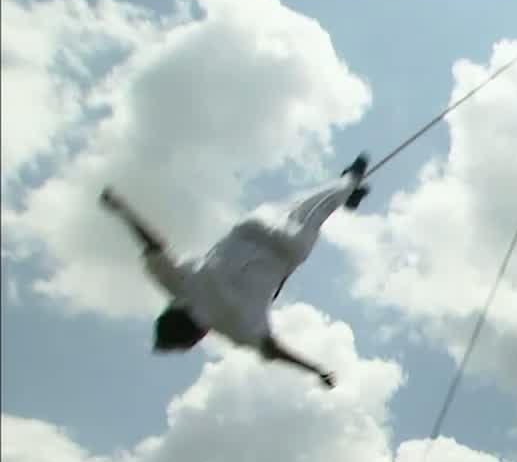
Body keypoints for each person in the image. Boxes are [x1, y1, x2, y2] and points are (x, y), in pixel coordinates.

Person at [99, 154, 373, 389]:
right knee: (306, 202)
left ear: (199, 335)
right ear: (172, 309)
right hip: (252, 228)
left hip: (287, 251)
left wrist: (316, 370)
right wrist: (123, 209)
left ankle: (347, 187)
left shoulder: (234, 328)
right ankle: (345, 187)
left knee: (315, 214)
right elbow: (153, 242)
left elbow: (273, 349)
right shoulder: (177, 284)